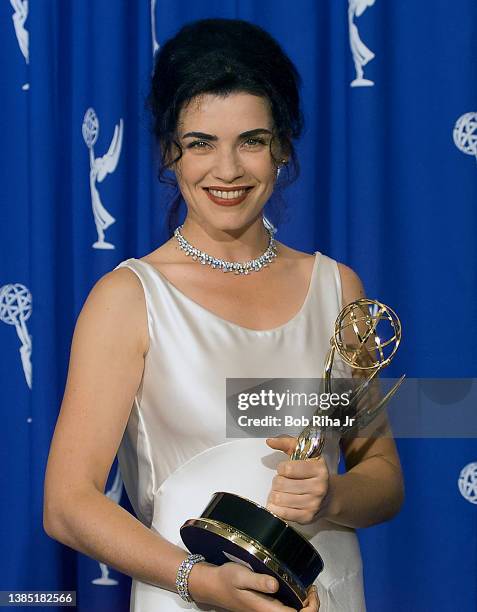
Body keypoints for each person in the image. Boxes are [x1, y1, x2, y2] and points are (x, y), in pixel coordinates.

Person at [43, 18, 404, 612]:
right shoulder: (129, 298)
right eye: (201, 143)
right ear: (170, 150)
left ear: (283, 145)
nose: (228, 170)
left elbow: (383, 474)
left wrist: (331, 496)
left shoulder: (338, 289)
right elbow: (67, 503)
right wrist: (200, 581)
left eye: (253, 141)